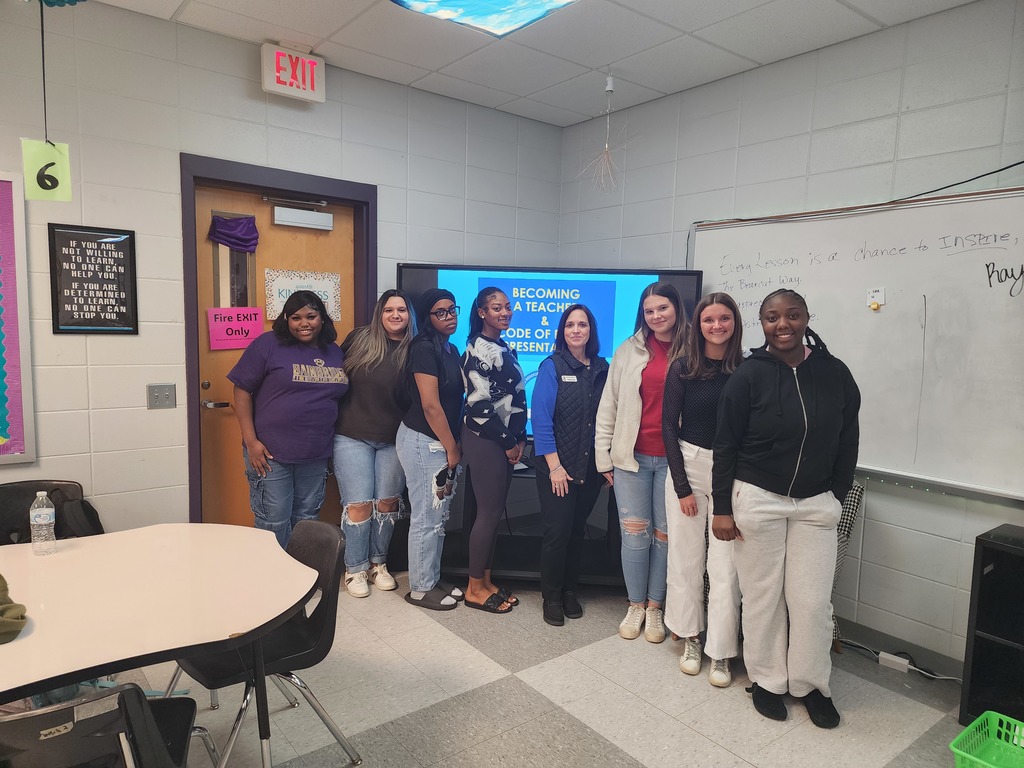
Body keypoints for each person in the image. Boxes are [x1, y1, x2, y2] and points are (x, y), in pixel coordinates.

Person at [712, 288, 860, 728]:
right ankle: (766, 680)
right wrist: (722, 507)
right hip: (758, 499)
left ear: (806, 318)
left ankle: (811, 686)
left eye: (792, 315)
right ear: (763, 324)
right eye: (773, 317)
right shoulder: (749, 375)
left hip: (816, 504)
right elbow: (726, 445)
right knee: (763, 598)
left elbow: (848, 438)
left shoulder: (835, 373)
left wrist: (837, 491)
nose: (783, 325)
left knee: (812, 602)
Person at [595, 281, 688, 642]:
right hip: (630, 459)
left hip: (676, 462)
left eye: (662, 308)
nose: (656, 316)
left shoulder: (693, 349)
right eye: (649, 311)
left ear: (676, 308)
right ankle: (635, 604)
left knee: (666, 538)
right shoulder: (628, 351)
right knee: (635, 537)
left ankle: (655, 606)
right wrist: (604, 457)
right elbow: (610, 405)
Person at [662, 292, 744, 687]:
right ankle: (691, 636)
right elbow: (667, 428)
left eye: (724, 318)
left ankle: (722, 651)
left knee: (727, 568)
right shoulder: (683, 368)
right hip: (688, 467)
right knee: (686, 559)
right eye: (709, 319)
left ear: (735, 323)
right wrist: (681, 487)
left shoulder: (747, 369)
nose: (716, 326)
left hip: (734, 473)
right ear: (699, 324)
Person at [228, 290, 348, 549]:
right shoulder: (268, 344)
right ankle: (272, 584)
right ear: (286, 319)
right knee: (273, 521)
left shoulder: (334, 352)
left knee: (307, 521)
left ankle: (301, 579)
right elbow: (241, 389)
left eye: (311, 316)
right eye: (295, 317)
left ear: (322, 318)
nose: (304, 323)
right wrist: (251, 441)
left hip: (315, 453)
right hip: (270, 454)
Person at [334, 289, 416, 598]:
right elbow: (331, 377)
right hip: (351, 435)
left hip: (395, 439)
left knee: (387, 503)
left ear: (410, 316)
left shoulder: (416, 350)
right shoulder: (359, 339)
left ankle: (377, 564)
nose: (395, 315)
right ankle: (354, 569)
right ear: (379, 314)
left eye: (402, 310)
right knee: (357, 505)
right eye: (388, 310)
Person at [531, 304, 609, 626]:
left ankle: (569, 591)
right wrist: (555, 466)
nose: (576, 330)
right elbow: (542, 420)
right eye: (570, 325)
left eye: (582, 325)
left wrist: (606, 462)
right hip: (556, 468)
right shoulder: (552, 365)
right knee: (558, 532)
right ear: (562, 331)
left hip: (590, 468)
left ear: (591, 330)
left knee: (578, 532)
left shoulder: (603, 368)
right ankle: (551, 596)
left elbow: (608, 419)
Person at [396, 289, 466, 611]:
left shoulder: (449, 348)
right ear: (428, 317)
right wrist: (452, 447)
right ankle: (421, 588)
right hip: (426, 441)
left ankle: (432, 577)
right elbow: (430, 406)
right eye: (440, 312)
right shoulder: (424, 348)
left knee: (438, 517)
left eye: (452, 309)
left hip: (439, 442)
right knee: (426, 517)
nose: (449, 316)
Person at [460, 287, 527, 614]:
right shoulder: (478, 348)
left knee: (495, 511)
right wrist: (509, 441)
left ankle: (486, 581)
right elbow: (479, 404)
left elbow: (513, 396)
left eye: (508, 307)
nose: (505, 312)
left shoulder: (502, 345)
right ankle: (473, 588)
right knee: (487, 513)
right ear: (482, 312)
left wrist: (520, 438)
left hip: (504, 439)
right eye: (496, 307)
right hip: (485, 437)